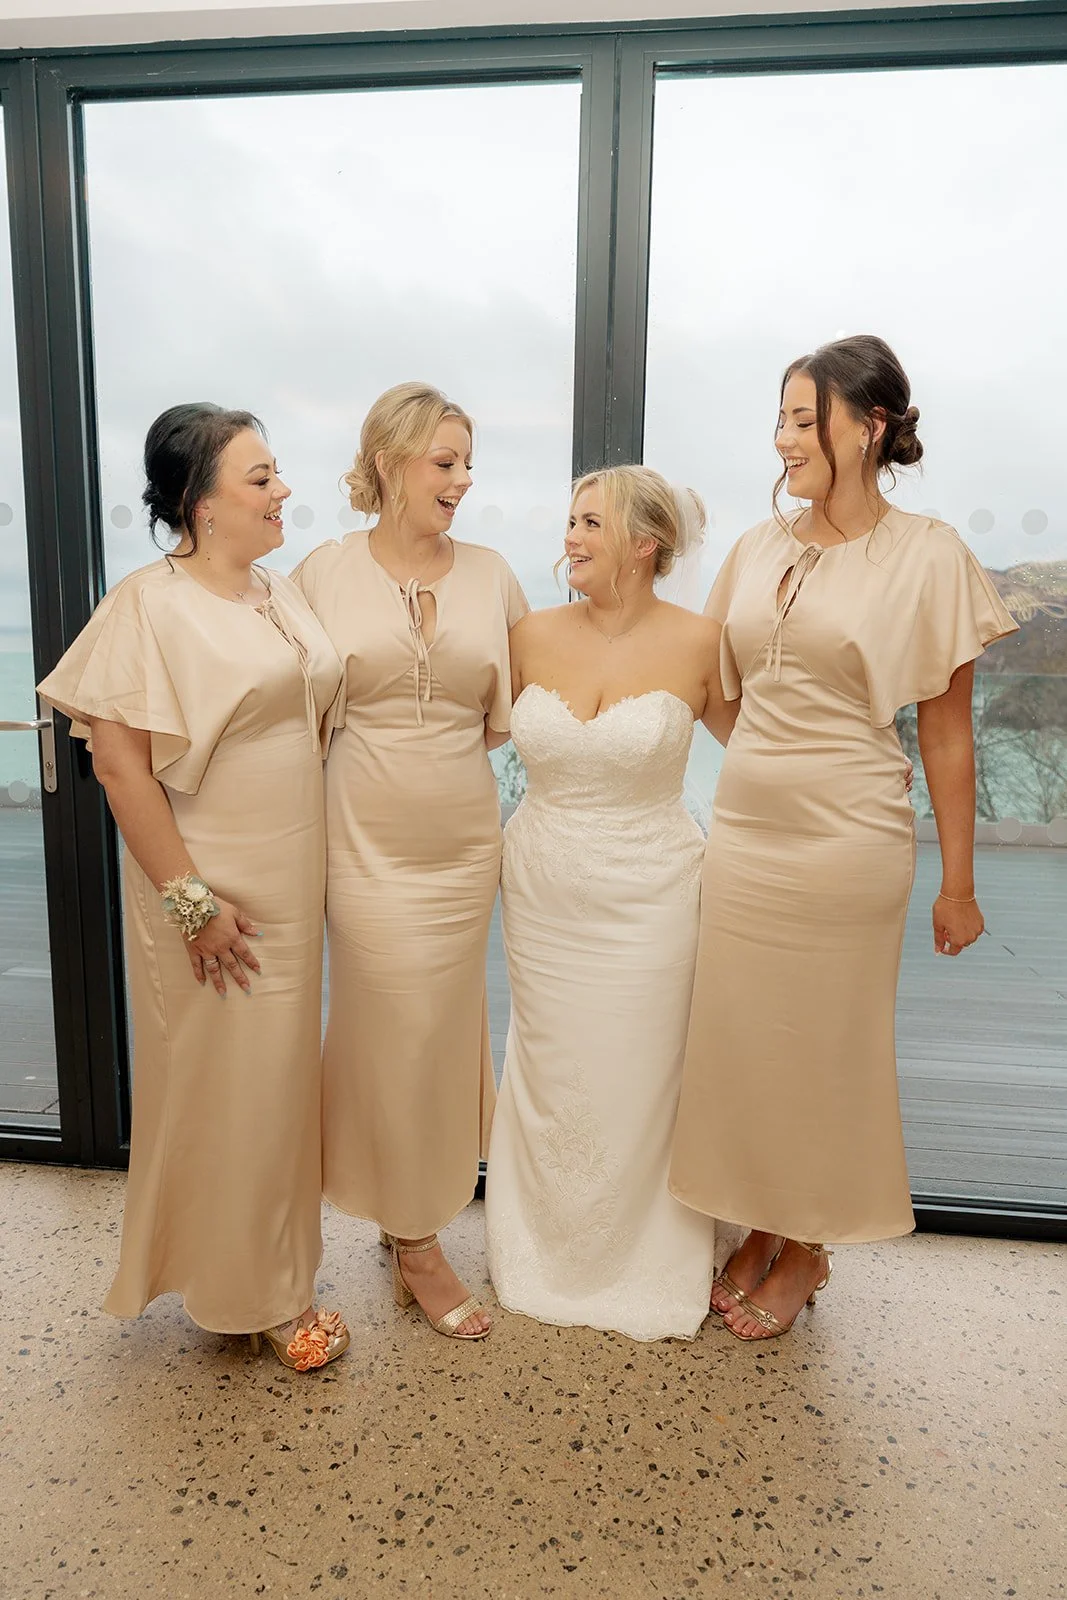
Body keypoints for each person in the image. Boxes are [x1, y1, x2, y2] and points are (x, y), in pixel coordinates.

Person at [669, 335, 1018, 1341]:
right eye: (778, 419)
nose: (783, 440)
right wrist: (770, 760)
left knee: (822, 1050)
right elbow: (716, 689)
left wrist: (958, 884)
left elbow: (944, 733)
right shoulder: (755, 547)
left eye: (802, 419)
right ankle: (765, 1222)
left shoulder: (928, 554)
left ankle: (807, 1246)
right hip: (745, 836)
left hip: (848, 840)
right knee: (747, 1044)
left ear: (869, 427)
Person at [37, 404, 349, 1371]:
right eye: (260, 478)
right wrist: (191, 905)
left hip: (292, 873)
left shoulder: (278, 592)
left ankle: (269, 1272)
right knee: (229, 1091)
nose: (282, 490)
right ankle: (255, 1296)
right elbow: (118, 765)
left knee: (276, 1090)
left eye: (276, 472)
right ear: (200, 502)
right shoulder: (148, 605)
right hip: (210, 884)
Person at [484, 465, 742, 1341]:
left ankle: (645, 1256)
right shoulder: (527, 635)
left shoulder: (700, 642)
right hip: (542, 893)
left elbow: (763, 749)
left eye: (590, 523)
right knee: (550, 1065)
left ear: (644, 543)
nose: (570, 537)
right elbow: (454, 731)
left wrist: (859, 768)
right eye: (570, 520)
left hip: (653, 895)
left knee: (641, 1067)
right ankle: (542, 1245)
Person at [292, 382, 527, 1341]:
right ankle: (419, 1242)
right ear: (388, 463)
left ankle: (410, 1221)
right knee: (389, 1030)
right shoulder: (321, 573)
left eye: (468, 463)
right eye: (445, 462)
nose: (463, 480)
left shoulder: (494, 575)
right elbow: (281, 704)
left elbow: (520, 707)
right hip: (363, 842)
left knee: (440, 1036)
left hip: (464, 845)